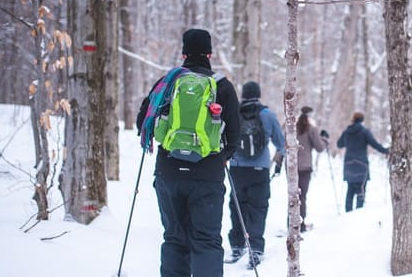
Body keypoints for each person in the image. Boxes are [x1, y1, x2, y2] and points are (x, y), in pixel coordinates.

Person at [136, 28, 240, 277]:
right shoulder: (222, 86)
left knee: (174, 238)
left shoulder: (167, 83)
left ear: (183, 55)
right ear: (210, 54)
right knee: (206, 240)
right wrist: (220, 158)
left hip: (169, 172)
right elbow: (235, 135)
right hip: (208, 175)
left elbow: (143, 123)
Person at [226, 81, 285, 270]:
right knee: (258, 209)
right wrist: (277, 163)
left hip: (236, 169)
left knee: (237, 207)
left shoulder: (234, 113)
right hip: (259, 170)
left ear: (243, 94)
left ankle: (236, 245)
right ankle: (256, 249)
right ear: (258, 94)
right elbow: (281, 144)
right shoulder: (267, 115)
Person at [336, 112, 388, 212]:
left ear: (353, 119)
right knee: (361, 190)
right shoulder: (364, 132)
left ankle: (347, 215)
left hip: (349, 164)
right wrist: (386, 151)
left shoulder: (347, 131)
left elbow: (339, 144)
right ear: (362, 120)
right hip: (361, 164)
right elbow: (375, 144)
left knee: (350, 190)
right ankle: (358, 214)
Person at [295, 106, 328, 231]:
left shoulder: (290, 127)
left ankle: (291, 223)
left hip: (292, 166)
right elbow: (320, 147)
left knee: (293, 195)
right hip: (305, 167)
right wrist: (324, 140)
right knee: (302, 196)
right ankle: (301, 224)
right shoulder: (311, 129)